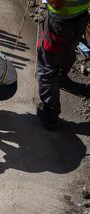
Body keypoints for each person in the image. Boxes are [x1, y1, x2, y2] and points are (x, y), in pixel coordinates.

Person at [36, 0, 89, 128]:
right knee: (68, 49)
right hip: (81, 18)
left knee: (47, 66)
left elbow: (56, 4)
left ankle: (50, 113)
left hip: (60, 24)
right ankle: (61, 77)